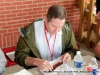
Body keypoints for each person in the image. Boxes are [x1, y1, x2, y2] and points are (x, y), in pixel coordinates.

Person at [14, 4, 78, 71]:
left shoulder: (66, 29)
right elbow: (19, 56)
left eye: (60, 27)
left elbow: (73, 51)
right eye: (53, 26)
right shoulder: (29, 32)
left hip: (60, 69)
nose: (57, 31)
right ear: (46, 19)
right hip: (37, 71)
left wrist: (70, 55)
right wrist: (35, 61)